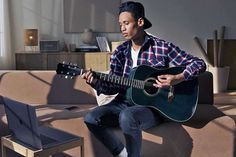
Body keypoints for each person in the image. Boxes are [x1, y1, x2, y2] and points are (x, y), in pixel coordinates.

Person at [82, 1, 206, 157]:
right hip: (123, 103)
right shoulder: (120, 52)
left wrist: (178, 78)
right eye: (120, 24)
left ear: (140, 22)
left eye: (126, 23)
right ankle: (121, 153)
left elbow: (199, 64)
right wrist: (95, 82)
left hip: (153, 107)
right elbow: (113, 86)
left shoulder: (161, 47)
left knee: (128, 116)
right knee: (91, 118)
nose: (122, 28)